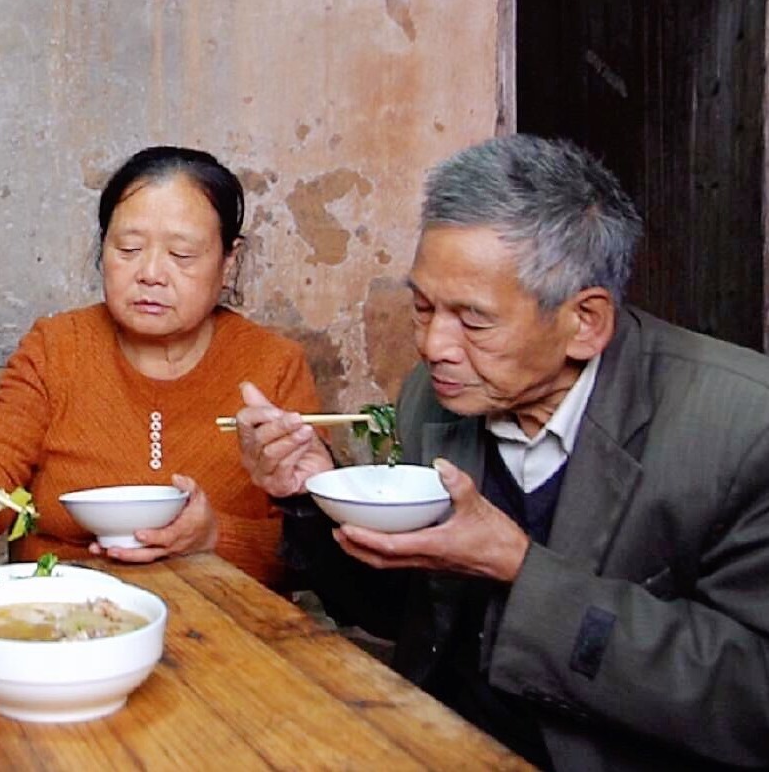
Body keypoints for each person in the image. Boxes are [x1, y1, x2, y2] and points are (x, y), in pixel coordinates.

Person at [236, 134, 769, 770]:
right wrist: (312, 498)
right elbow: (398, 612)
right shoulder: (435, 399)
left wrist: (519, 568)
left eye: (474, 320)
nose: (434, 345)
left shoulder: (741, 429)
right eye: (423, 306)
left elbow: (751, 698)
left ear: (585, 322)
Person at [0, 146, 319, 583]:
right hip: (62, 614)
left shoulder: (274, 364)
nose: (151, 273)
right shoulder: (56, 347)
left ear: (227, 261)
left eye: (182, 255)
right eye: (128, 248)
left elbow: (313, 550)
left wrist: (213, 537)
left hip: (227, 630)